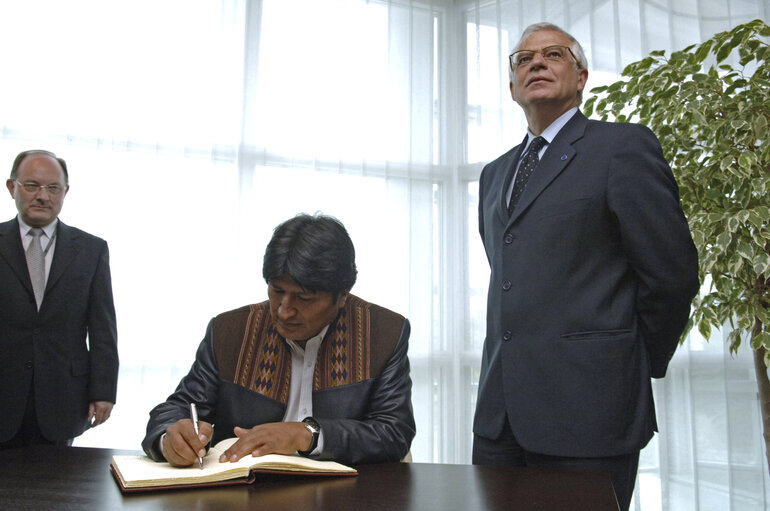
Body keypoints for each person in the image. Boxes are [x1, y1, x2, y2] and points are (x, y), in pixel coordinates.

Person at [473, 22, 699, 510]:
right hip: (500, 420)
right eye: (522, 58)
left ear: (581, 77)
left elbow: (672, 274)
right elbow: (511, 278)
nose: (535, 62)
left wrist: (635, 360)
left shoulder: (622, 147)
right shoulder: (494, 175)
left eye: (553, 54)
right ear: (512, 86)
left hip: (591, 414)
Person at [142, 213, 415, 466]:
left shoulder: (384, 332)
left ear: (342, 295)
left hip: (346, 493)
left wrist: (307, 434)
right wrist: (170, 439)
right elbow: (180, 407)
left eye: (304, 298)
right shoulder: (230, 330)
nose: (284, 310)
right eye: (276, 290)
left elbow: (394, 431)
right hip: (244, 492)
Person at [0, 149, 119, 448]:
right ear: (12, 187)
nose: (43, 196)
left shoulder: (91, 250)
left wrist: (103, 391)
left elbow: (103, 327)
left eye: (53, 188)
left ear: (65, 192)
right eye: (32, 186)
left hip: (63, 397)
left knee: (56, 489)